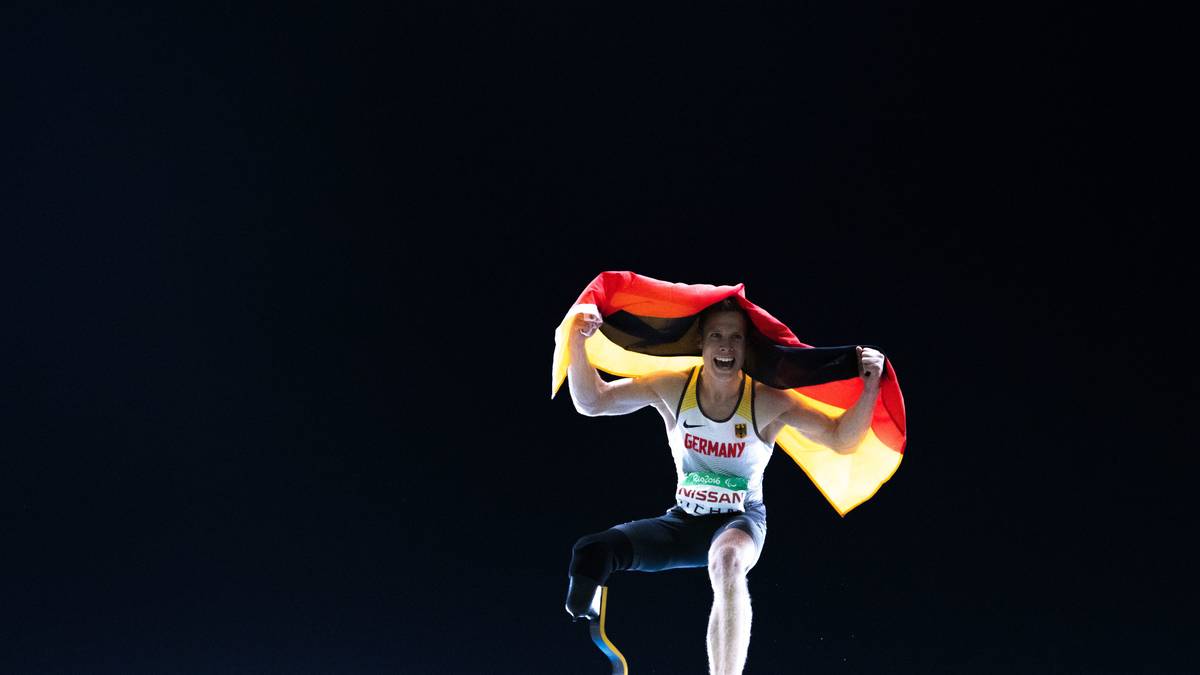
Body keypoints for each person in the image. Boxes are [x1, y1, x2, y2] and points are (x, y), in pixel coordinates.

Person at [563, 298, 885, 675]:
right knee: (592, 551)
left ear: (747, 348)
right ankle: (593, 626)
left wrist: (870, 386)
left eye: (735, 338)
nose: (726, 347)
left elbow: (840, 439)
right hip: (683, 523)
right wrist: (577, 342)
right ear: (702, 343)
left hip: (740, 523)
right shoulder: (673, 388)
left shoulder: (766, 401)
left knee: (727, 560)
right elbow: (592, 402)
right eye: (717, 336)